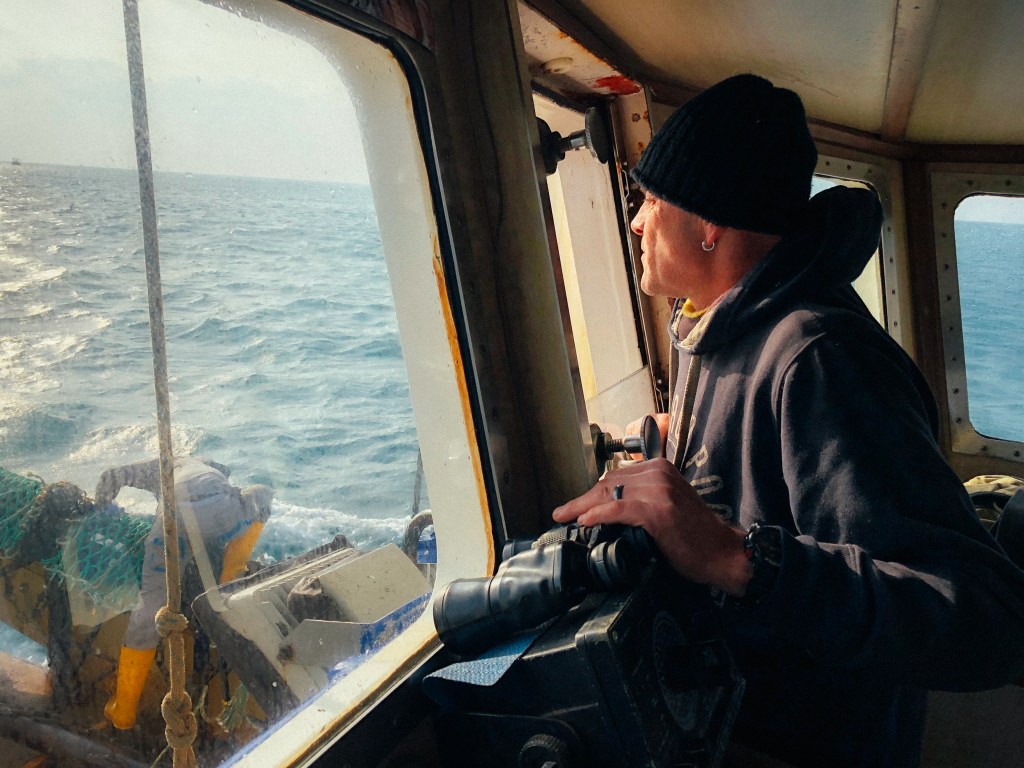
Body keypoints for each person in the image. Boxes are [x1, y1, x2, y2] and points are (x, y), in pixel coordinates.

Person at [552, 74, 1024, 767]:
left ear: (710, 223)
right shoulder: (713, 323)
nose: (637, 221)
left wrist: (739, 560)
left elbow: (984, 619)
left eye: (652, 199)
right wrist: (676, 442)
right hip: (730, 725)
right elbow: (768, 466)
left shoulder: (822, 360)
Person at [95, 455, 273, 730]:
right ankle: (231, 574)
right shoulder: (212, 473)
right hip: (223, 512)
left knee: (149, 611)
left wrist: (101, 508)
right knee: (262, 494)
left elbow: (110, 476)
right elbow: (247, 496)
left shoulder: (168, 463)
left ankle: (123, 711)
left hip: (175, 521)